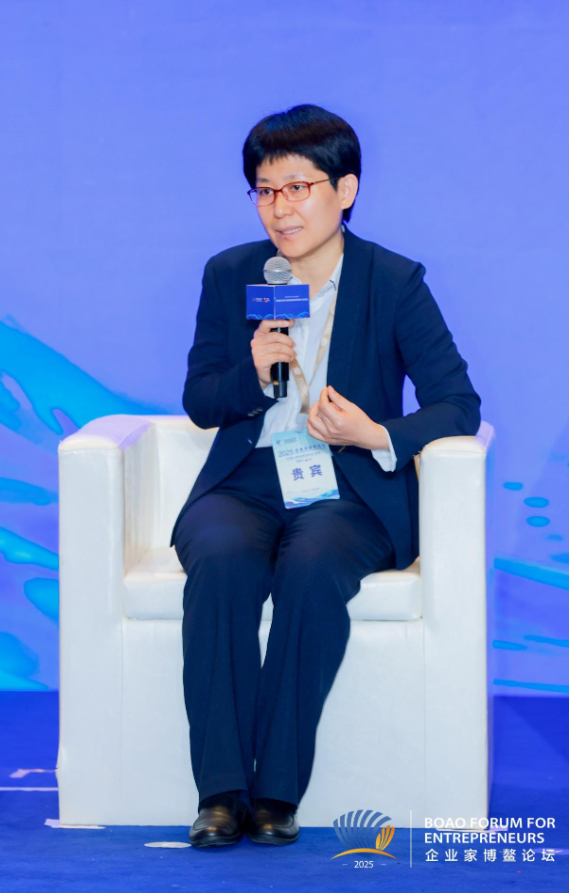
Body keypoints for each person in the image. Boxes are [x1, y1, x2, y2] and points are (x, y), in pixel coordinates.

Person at [171, 104, 481, 848]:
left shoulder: (393, 281)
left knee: (311, 568)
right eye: (264, 191)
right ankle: (220, 792)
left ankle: (277, 791)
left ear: (345, 190)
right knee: (219, 561)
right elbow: (201, 400)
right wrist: (251, 373)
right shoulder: (234, 274)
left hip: (348, 489)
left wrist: (374, 433)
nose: (279, 208)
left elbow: (458, 403)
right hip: (248, 479)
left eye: (297, 188)